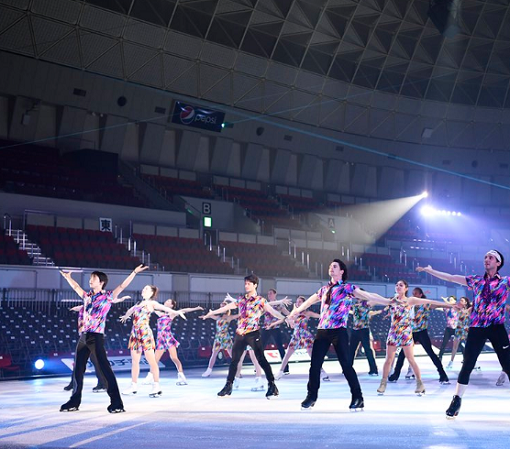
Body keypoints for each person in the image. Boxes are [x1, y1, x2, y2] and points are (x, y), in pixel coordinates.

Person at [417, 250, 510, 419]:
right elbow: (451, 277)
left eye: (490, 257)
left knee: (508, 364)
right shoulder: (476, 280)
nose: (486, 259)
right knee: (467, 363)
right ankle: (457, 400)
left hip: (497, 327)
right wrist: (431, 271)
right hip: (477, 327)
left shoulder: (506, 282)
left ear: (498, 263)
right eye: (485, 257)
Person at [59, 264, 148, 413]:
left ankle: (117, 403)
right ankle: (74, 401)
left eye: (93, 279)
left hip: (96, 337)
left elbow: (121, 286)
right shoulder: (87, 296)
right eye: (90, 278)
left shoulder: (107, 297)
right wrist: (69, 278)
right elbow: (76, 288)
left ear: (101, 282)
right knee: (78, 370)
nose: (90, 281)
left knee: (105, 369)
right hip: (84, 336)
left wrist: (134, 272)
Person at [288, 259, 370, 411]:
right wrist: (294, 313)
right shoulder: (324, 289)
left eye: (334, 266)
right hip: (323, 330)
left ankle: (358, 397)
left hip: (339, 331)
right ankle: (311, 396)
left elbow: (368, 295)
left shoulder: (347, 288)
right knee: (315, 366)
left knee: (346, 366)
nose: (331, 268)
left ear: (341, 271)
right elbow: (306, 304)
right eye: (330, 266)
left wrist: (387, 301)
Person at [359, 280, 457, 397]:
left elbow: (430, 301)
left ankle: (420, 384)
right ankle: (383, 383)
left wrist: (450, 305)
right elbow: (375, 297)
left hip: (406, 332)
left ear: (406, 289)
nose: (398, 286)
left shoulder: (410, 300)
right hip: (393, 332)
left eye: (401, 285)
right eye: (396, 285)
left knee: (411, 359)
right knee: (389, 359)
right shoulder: (391, 300)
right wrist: (361, 294)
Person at [200, 274, 287, 399]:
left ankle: (272, 385)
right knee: (234, 361)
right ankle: (228, 386)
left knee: (261, 359)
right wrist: (212, 312)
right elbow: (227, 307)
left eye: (249, 284)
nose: (246, 286)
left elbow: (272, 311)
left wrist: (285, 318)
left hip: (253, 334)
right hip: (240, 334)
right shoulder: (241, 299)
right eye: (245, 283)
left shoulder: (260, 300)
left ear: (255, 285)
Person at [120, 286, 187, 397]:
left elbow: (164, 308)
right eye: (144, 288)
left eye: (146, 289)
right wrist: (126, 316)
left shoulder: (152, 303)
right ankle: (133, 385)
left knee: (152, 361)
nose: (143, 289)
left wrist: (176, 312)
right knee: (135, 362)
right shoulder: (138, 304)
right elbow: (130, 310)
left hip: (145, 333)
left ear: (151, 293)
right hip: (135, 334)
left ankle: (156, 386)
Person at [388, 287, 450, 384]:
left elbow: (437, 305)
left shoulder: (425, 304)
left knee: (431, 353)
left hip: (422, 332)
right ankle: (395, 375)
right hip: (410, 332)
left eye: (416, 293)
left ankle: (443, 374)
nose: (414, 295)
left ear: (421, 295)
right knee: (402, 355)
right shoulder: (409, 304)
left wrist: (451, 305)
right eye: (413, 293)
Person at [142, 299, 203, 386]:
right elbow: (151, 308)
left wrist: (195, 308)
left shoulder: (172, 313)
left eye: (168, 302)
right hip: (160, 339)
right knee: (155, 360)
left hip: (168, 338)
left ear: (171, 305)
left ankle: (181, 376)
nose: (166, 302)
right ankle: (150, 377)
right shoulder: (160, 313)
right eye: (166, 301)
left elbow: (184, 310)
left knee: (174, 358)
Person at [271, 296, 327, 380]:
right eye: (297, 301)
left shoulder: (307, 313)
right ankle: (280, 371)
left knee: (312, 356)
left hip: (305, 335)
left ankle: (322, 372)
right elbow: (289, 321)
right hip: (296, 335)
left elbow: (320, 316)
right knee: (287, 355)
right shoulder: (294, 313)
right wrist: (294, 311)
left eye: (300, 301)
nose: (298, 303)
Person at [64, 304, 109, 393]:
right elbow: (81, 308)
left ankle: (103, 384)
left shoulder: (96, 307)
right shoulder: (84, 307)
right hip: (84, 337)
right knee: (78, 361)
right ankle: (74, 383)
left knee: (96, 362)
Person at [201, 300, 238, 377]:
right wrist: (206, 316)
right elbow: (210, 315)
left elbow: (238, 315)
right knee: (214, 354)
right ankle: (208, 371)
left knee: (231, 354)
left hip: (225, 337)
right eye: (220, 307)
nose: (221, 308)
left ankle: (237, 371)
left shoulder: (229, 317)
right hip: (218, 337)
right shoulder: (218, 317)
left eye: (223, 307)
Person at [348, 299, 380, 376]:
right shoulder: (354, 305)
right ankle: (347, 368)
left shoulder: (366, 304)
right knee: (351, 350)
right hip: (355, 329)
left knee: (368, 350)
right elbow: (351, 311)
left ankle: (373, 369)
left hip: (364, 330)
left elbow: (375, 301)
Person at [261, 289, 290, 374]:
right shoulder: (266, 304)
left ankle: (285, 368)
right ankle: (259, 366)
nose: (269, 295)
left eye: (271, 293)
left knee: (280, 347)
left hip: (275, 327)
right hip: (266, 327)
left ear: (275, 294)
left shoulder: (279, 304)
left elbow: (286, 312)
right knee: (261, 347)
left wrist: (293, 315)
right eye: (268, 293)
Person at [446, 297, 471, 369]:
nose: (460, 301)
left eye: (462, 300)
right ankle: (451, 362)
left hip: (466, 329)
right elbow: (452, 305)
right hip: (459, 329)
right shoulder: (458, 309)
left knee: (469, 347)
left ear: (466, 302)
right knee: (455, 346)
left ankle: (473, 363)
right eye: (460, 300)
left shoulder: (469, 310)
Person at [438, 296, 460, 361]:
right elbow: (445, 306)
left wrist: (446, 301)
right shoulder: (447, 308)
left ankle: (465, 358)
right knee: (444, 343)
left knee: (460, 344)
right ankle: (440, 357)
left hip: (456, 328)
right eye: (449, 300)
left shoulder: (457, 307)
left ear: (455, 301)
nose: (450, 301)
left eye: (451, 300)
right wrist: (446, 302)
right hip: (448, 328)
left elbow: (454, 307)